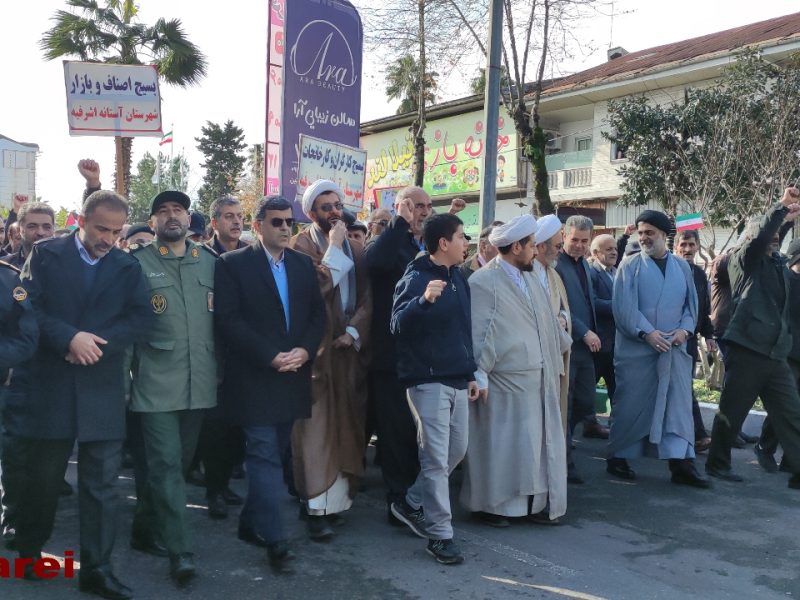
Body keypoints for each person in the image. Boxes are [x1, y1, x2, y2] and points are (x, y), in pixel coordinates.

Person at [13, 189, 151, 598]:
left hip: (101, 385)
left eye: (115, 231)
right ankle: (29, 555)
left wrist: (94, 344)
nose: (108, 238)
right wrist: (69, 338)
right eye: (101, 229)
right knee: (43, 478)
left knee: (102, 486)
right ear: (81, 220)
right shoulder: (47, 255)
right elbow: (28, 308)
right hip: (51, 383)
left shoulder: (127, 266)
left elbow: (141, 319)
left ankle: (97, 568)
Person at [214, 196, 325, 573]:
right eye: (275, 221)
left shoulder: (301, 265)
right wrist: (269, 355)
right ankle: (277, 541)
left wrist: (305, 351)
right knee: (263, 458)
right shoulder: (232, 265)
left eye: (288, 222)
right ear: (257, 225)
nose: (283, 228)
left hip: (292, 375)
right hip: (254, 377)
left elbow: (316, 316)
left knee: (274, 455)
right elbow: (228, 322)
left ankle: (250, 523)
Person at [127, 191, 218, 585]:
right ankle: (180, 550)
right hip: (155, 385)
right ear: (153, 223)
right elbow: (126, 332)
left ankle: (143, 529)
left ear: (188, 217)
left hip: (200, 384)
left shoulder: (211, 264)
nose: (171, 216)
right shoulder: (135, 266)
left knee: (178, 465)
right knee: (165, 466)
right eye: (162, 211)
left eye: (178, 210)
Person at [461, 215, 570, 527]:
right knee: (503, 447)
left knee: (534, 448)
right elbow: (479, 334)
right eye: (531, 246)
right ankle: (493, 507)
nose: (535, 252)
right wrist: (479, 375)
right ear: (516, 246)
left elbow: (546, 321)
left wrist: (561, 334)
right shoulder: (483, 282)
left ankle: (533, 506)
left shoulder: (533, 277)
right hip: (503, 383)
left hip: (536, 378)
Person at [390, 212, 479, 566]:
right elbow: (396, 324)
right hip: (426, 381)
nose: (466, 243)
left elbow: (463, 330)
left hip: (458, 378)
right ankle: (440, 535)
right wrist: (423, 301)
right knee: (435, 459)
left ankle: (410, 502)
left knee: (455, 452)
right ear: (444, 243)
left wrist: (472, 373)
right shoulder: (415, 277)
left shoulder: (458, 278)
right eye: (462, 236)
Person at [289, 180, 372, 540]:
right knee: (316, 431)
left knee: (347, 426)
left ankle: (337, 503)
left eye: (337, 205)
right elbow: (314, 289)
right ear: (311, 213)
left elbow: (369, 298)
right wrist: (335, 247)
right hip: (317, 352)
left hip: (346, 351)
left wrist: (354, 332)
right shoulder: (300, 245)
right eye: (326, 207)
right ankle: (314, 507)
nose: (335, 212)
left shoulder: (356, 248)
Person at [606, 209, 709, 488]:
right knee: (631, 405)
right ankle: (618, 456)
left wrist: (684, 331)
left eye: (649, 233)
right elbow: (624, 307)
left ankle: (681, 465)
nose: (644, 238)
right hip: (638, 352)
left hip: (674, 351)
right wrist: (647, 333)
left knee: (677, 408)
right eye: (641, 233)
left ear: (664, 235)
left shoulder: (682, 267)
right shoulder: (629, 266)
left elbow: (692, 307)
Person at [705, 188, 800, 489]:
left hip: (774, 352)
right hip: (747, 347)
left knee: (791, 415)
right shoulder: (744, 260)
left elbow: (771, 238)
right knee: (731, 412)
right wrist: (780, 207)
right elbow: (761, 238)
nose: (774, 240)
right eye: (770, 235)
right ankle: (717, 463)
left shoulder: (776, 263)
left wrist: (784, 220)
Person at [364, 187, 430, 525]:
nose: (423, 212)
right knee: (395, 433)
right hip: (391, 358)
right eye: (417, 206)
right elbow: (374, 263)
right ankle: (397, 499)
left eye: (427, 207)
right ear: (402, 207)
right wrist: (398, 223)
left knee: (419, 433)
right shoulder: (390, 242)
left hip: (423, 358)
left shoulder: (428, 246)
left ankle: (416, 498)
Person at [555, 215, 607, 484]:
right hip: (567, 346)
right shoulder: (555, 266)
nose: (578, 245)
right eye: (574, 239)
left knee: (585, 404)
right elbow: (560, 308)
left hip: (586, 349)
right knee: (565, 404)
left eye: (584, 241)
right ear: (564, 236)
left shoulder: (585, 266)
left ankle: (564, 443)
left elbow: (590, 301)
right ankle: (564, 464)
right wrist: (583, 331)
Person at [755, 238, 800, 473]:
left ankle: (791, 459)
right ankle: (765, 447)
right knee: (784, 406)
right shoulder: (785, 280)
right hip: (787, 353)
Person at [674, 229, 716, 452]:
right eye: (683, 245)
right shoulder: (670, 270)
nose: (687, 250)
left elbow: (703, 309)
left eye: (691, 245)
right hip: (670, 339)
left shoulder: (700, 274)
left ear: (698, 247)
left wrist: (709, 335)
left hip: (690, 341)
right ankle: (698, 433)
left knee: (684, 387)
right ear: (676, 247)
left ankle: (696, 435)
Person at [533, 214, 572, 436]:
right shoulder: (523, 273)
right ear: (540, 246)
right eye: (557, 246)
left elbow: (564, 308)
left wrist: (563, 319)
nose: (560, 250)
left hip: (553, 358)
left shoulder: (553, 274)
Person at [588, 234, 618, 405]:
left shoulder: (618, 272)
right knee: (587, 390)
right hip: (598, 344)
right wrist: (619, 307)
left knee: (617, 391)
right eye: (609, 249)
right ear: (595, 253)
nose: (614, 252)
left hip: (616, 346)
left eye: (615, 248)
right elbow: (592, 302)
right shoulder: (591, 273)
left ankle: (617, 429)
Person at [6, 202, 55, 268]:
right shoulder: (4, 267)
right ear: (19, 230)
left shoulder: (68, 265)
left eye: (47, 227)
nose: (40, 233)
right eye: (32, 226)